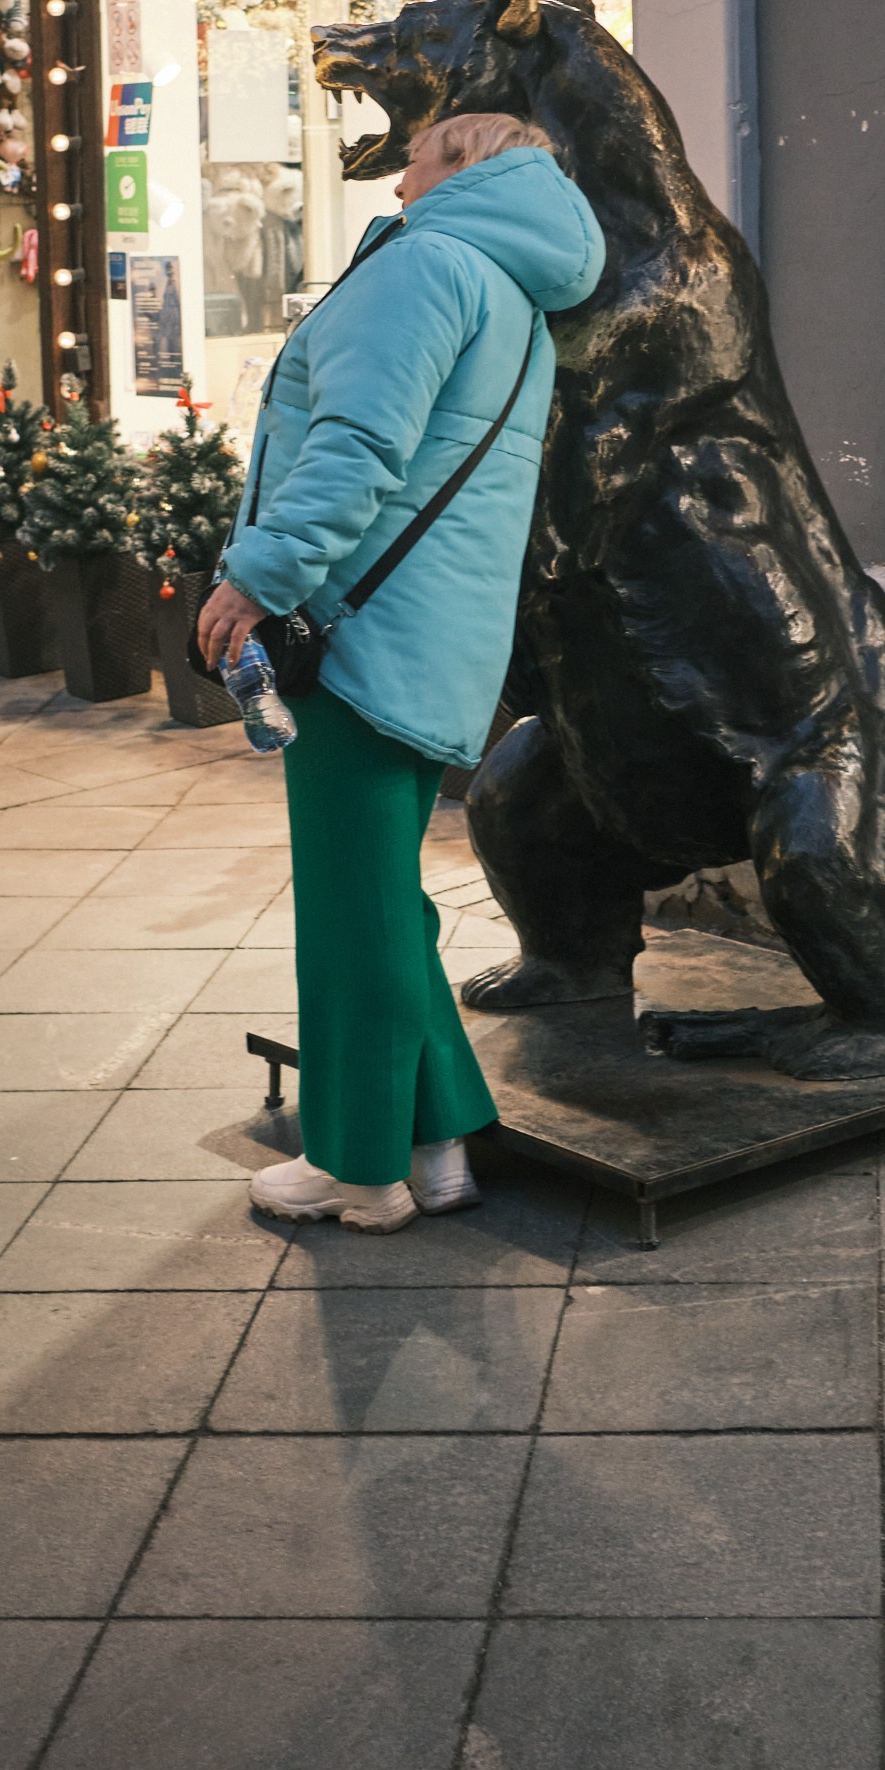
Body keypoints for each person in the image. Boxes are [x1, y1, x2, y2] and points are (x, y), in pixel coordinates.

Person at [199, 110, 605, 1233]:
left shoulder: (426, 267)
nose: (398, 178)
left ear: (465, 167)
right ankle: (437, 1142)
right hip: (429, 627)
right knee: (382, 895)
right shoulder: (511, 290)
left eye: (415, 158)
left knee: (351, 910)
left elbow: (358, 447)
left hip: (359, 630)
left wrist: (257, 578)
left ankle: (358, 1165)